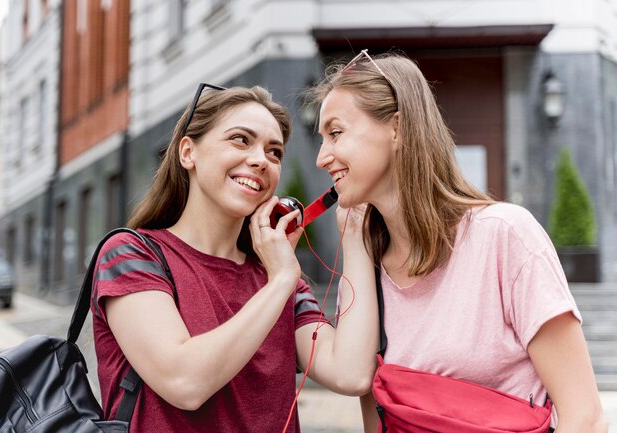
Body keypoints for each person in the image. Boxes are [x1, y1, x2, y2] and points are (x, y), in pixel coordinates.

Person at [312, 50, 608, 433]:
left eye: (336, 133)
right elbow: (377, 416)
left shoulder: (505, 235)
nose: (321, 157)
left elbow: (584, 418)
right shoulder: (365, 264)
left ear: (397, 129)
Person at [90, 84, 378, 433]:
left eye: (274, 152)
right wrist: (282, 281)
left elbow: (351, 373)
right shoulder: (132, 254)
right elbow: (185, 382)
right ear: (187, 152)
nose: (260, 160)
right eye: (241, 140)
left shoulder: (278, 278)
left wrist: (356, 233)